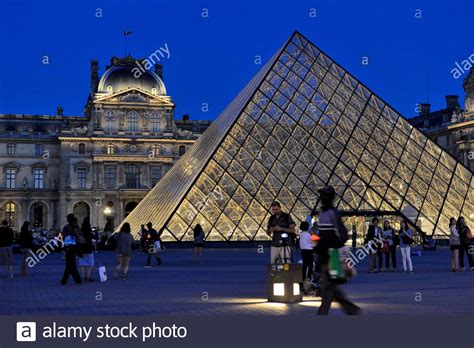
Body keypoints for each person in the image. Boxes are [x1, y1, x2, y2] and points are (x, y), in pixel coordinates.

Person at [315, 186, 361, 315]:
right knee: (330, 288)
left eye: (324, 195)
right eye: (321, 195)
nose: (321, 198)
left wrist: (332, 247)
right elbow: (323, 236)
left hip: (332, 257)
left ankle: (323, 315)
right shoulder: (322, 212)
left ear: (329, 197)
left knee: (328, 289)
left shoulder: (331, 213)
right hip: (324, 256)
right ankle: (352, 309)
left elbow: (342, 235)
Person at [60, 214, 82, 285]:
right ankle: (64, 280)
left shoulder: (67, 227)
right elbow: (79, 236)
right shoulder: (76, 226)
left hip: (68, 247)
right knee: (70, 264)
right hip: (75, 247)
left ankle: (77, 280)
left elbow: (64, 236)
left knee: (70, 264)